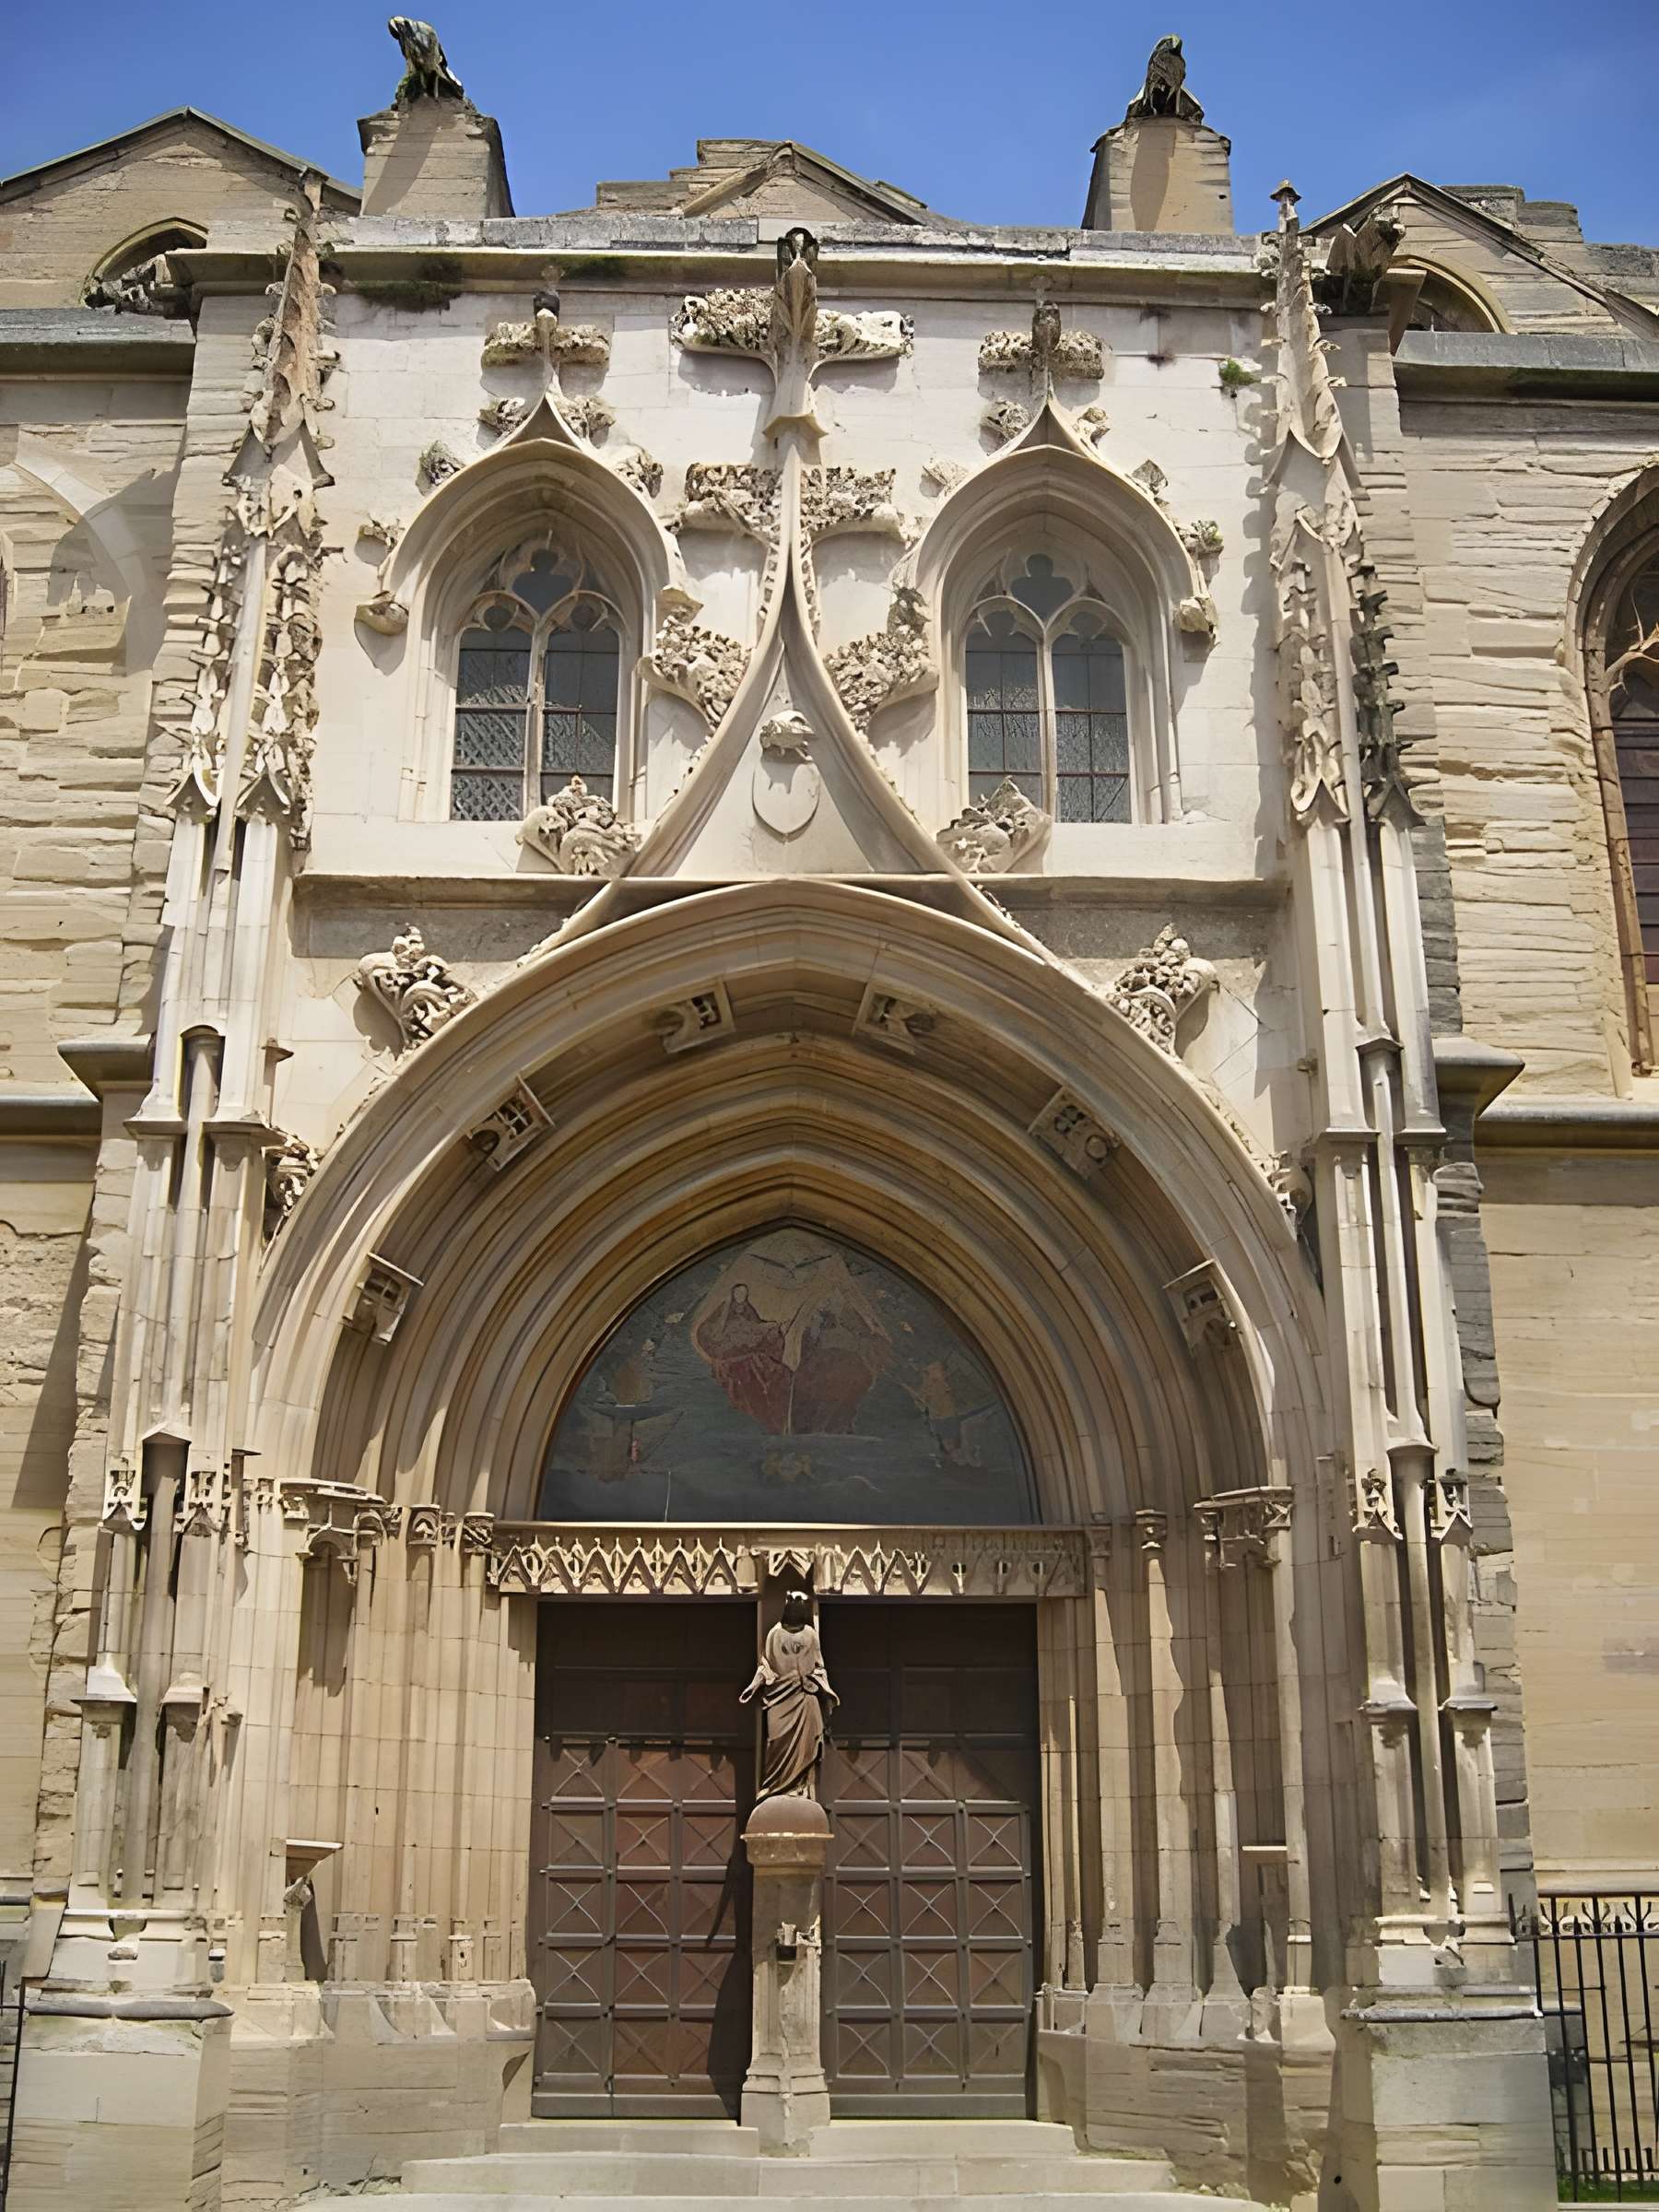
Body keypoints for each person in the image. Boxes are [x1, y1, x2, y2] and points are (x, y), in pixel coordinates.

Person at [740, 1590, 838, 1800]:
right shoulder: (774, 1634)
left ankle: (802, 1790)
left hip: (805, 1699)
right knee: (775, 1743)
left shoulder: (811, 1635)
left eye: (799, 1603)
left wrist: (823, 1688)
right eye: (791, 1602)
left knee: (807, 1746)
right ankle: (775, 1789)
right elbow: (766, 1666)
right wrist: (755, 1684)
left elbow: (819, 1666)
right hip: (779, 1699)